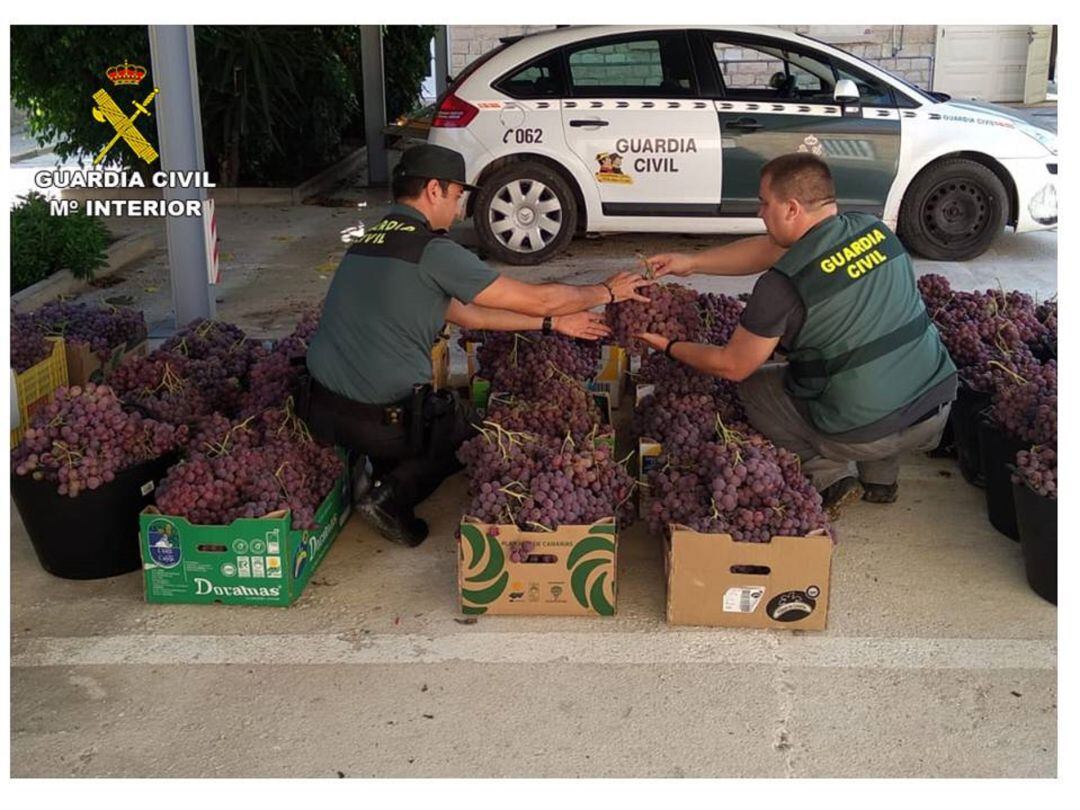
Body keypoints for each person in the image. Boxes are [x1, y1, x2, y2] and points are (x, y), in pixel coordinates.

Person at [304, 143, 653, 546]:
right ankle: (389, 497)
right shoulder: (432, 251)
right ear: (434, 190)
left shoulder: (368, 240)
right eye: (456, 197)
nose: (456, 211)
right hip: (380, 421)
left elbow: (470, 315)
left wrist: (552, 323)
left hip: (321, 409)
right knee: (467, 427)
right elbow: (538, 297)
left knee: (404, 402)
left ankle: (375, 461)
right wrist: (606, 291)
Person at [639, 153, 957, 517]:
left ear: (791, 209)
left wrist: (669, 346)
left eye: (763, 203)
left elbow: (732, 365)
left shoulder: (781, 288)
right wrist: (691, 262)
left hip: (866, 431)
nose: (759, 212)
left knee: (755, 386)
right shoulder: (873, 229)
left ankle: (830, 476)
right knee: (877, 360)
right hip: (936, 407)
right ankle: (881, 479)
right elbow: (772, 249)